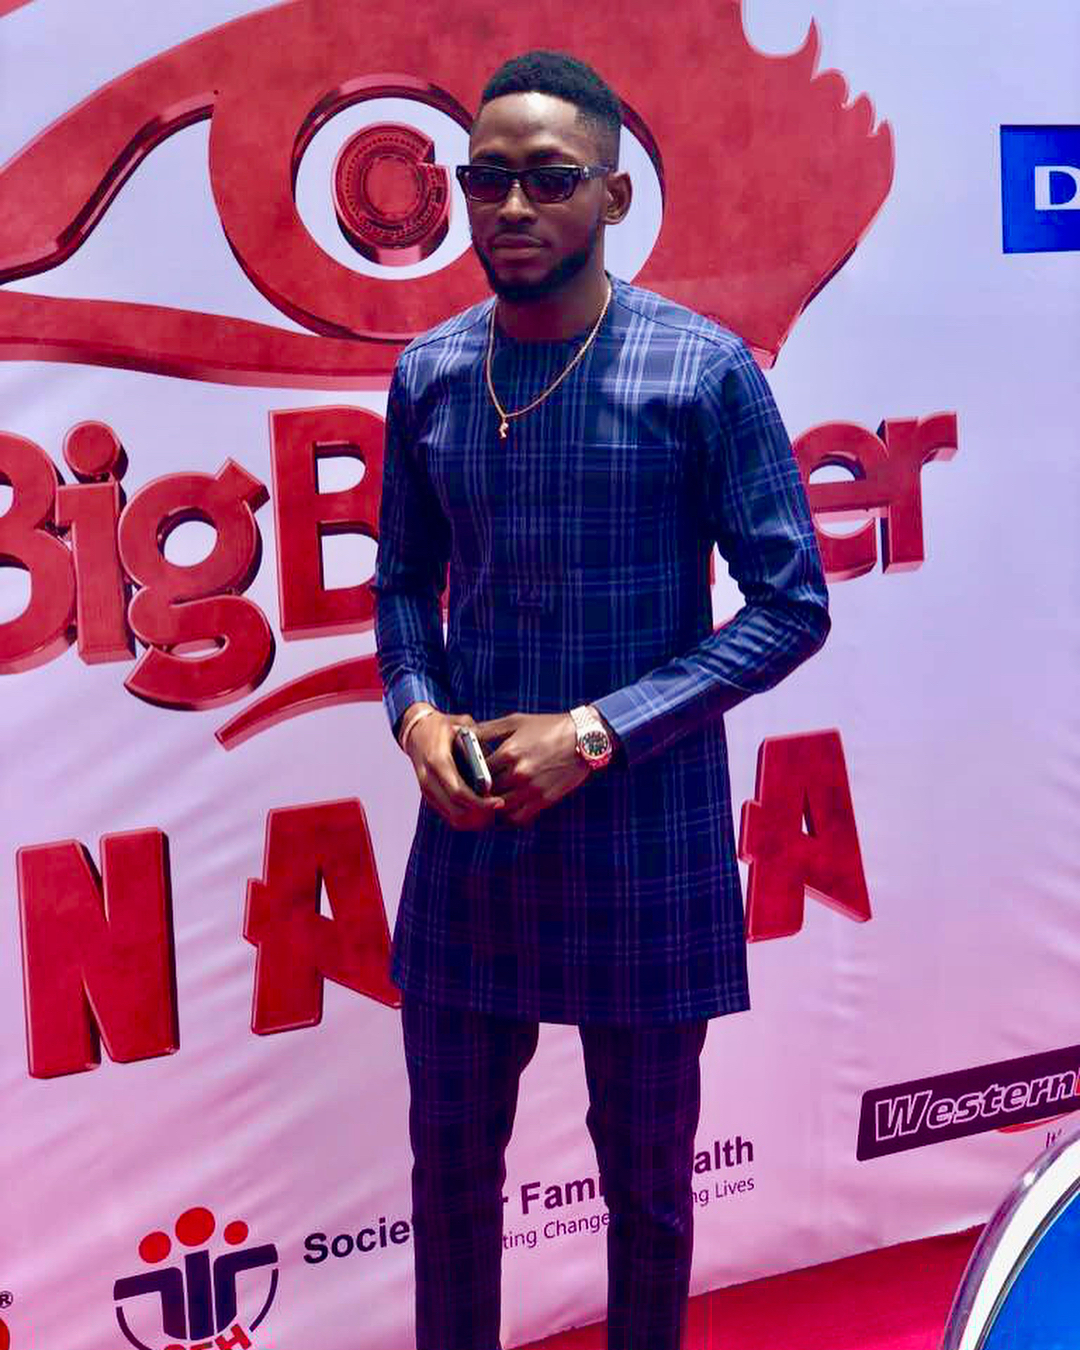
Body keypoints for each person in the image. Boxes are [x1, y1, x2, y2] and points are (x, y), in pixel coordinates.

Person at [373, 49, 830, 1350]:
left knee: (648, 1190)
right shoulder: (431, 373)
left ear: (614, 196)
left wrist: (595, 731)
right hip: (471, 844)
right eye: (487, 179)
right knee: (449, 1182)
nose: (513, 205)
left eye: (550, 178)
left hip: (645, 840)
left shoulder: (701, 372)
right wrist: (418, 715)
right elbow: (402, 585)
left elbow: (792, 605)